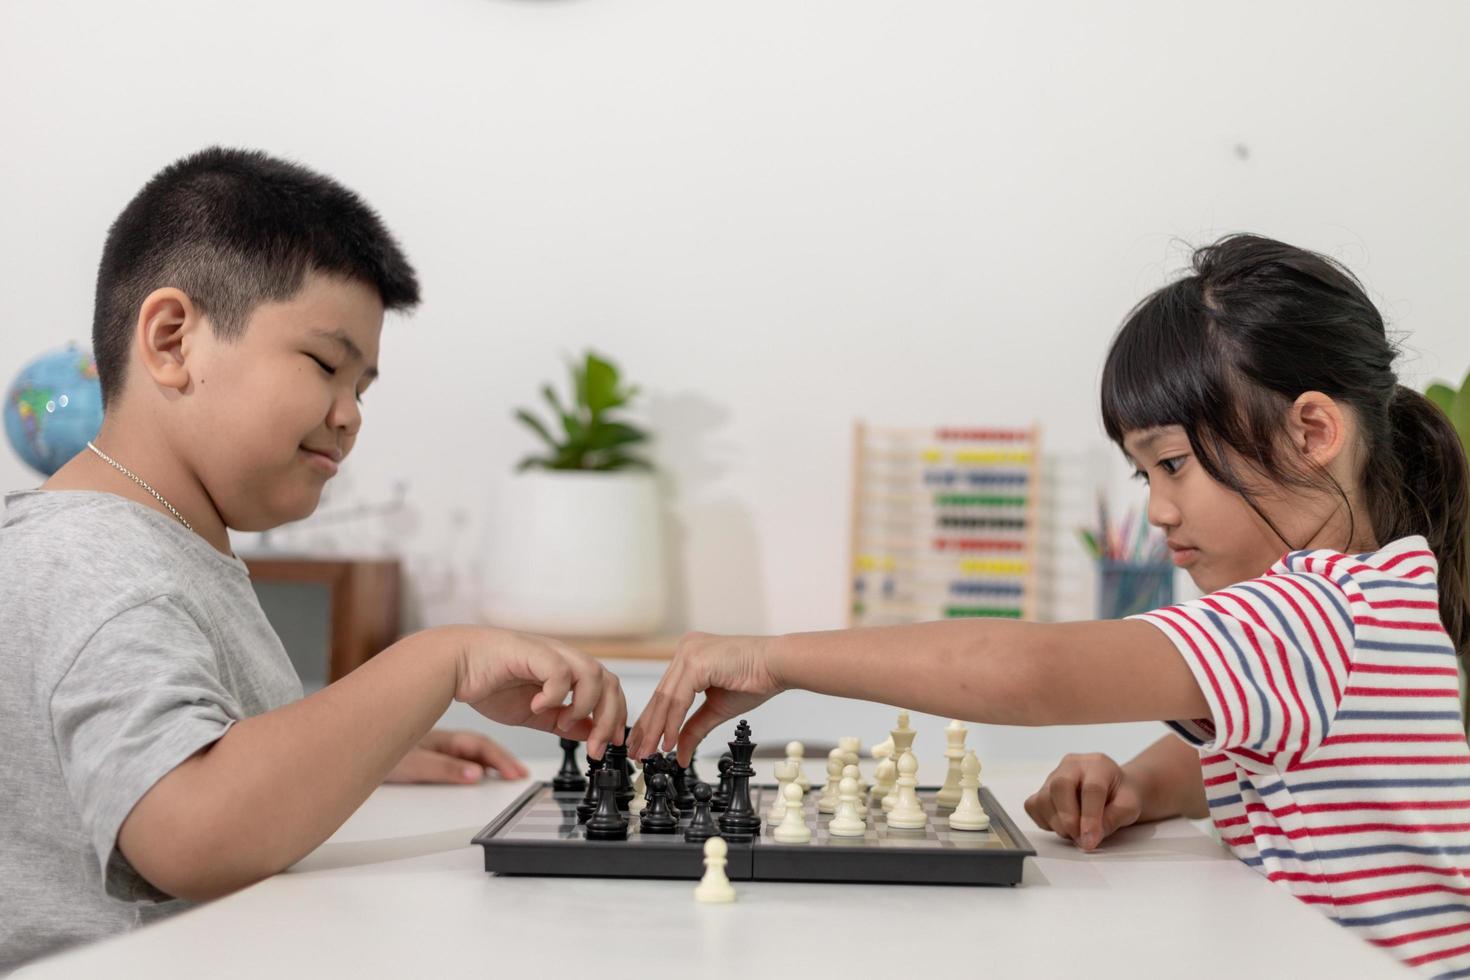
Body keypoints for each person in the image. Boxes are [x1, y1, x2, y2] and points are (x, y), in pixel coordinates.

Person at [630, 235, 1470, 975]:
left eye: (1173, 463)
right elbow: (1264, 756)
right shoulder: (1362, 603)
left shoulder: (1315, 614)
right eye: (1145, 475)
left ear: (1312, 432)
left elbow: (1025, 673)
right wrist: (1138, 784)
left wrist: (773, 658)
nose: (1157, 509)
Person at [0, 148, 626, 970]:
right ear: (171, 340)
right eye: (326, 366)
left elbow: (160, 747)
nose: (349, 415)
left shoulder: (143, 545)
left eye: (361, 387)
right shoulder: (96, 564)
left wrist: (362, 750)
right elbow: (187, 834)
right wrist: (439, 659)